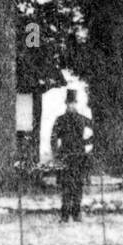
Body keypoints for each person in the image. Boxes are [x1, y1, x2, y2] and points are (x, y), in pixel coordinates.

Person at [50, 89, 92, 222]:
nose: (71, 106)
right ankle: (65, 215)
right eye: (69, 103)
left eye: (73, 103)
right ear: (66, 104)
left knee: (78, 186)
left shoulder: (82, 119)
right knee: (66, 186)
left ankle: (77, 213)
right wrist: (56, 153)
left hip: (79, 156)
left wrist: (87, 143)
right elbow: (53, 137)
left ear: (76, 104)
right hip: (66, 157)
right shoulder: (60, 120)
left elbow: (96, 131)